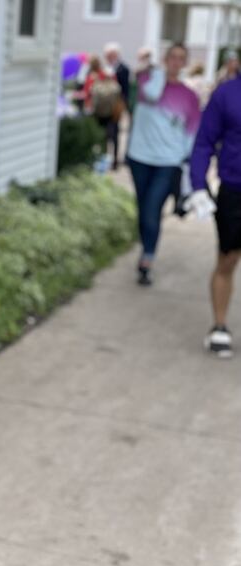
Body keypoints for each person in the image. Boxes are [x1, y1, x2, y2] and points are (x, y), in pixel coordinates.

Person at [126, 43, 200, 286]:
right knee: (143, 208)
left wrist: (185, 160)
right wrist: (158, 73)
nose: (176, 63)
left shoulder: (190, 97)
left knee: (152, 210)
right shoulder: (148, 80)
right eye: (172, 57)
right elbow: (153, 95)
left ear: (186, 63)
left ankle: (147, 259)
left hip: (168, 161)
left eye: (181, 59)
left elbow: (191, 133)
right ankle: (147, 248)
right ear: (165, 59)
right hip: (140, 157)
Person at [189, 69, 241, 357]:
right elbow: (204, 141)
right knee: (228, 258)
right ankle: (219, 326)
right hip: (235, 190)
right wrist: (198, 185)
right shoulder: (227, 93)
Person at [103, 42, 130, 168]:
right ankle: (104, 158)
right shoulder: (104, 68)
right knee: (104, 133)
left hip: (116, 106)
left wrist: (123, 105)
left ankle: (115, 160)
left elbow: (126, 89)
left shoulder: (123, 68)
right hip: (104, 106)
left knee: (114, 132)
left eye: (109, 55)